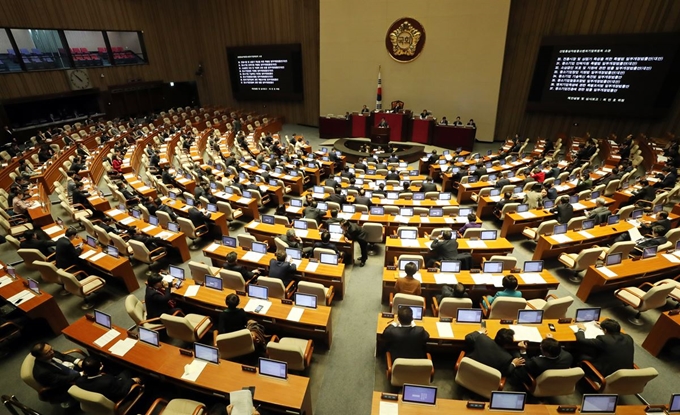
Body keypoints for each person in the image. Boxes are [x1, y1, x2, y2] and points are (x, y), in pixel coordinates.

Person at [76, 356, 141, 402]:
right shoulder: (108, 381)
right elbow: (121, 393)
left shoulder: (79, 381)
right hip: (115, 397)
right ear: (100, 368)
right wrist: (132, 380)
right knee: (129, 372)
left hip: (102, 393)